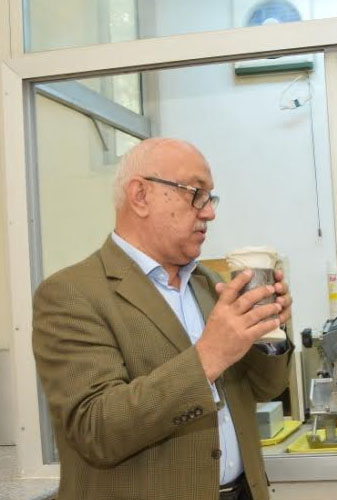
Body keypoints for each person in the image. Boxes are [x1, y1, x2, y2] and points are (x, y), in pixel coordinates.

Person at [32, 137, 293, 500]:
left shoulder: (208, 284)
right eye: (196, 194)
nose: (209, 212)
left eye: (211, 197)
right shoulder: (70, 294)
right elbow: (96, 430)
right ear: (140, 196)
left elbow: (265, 389)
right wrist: (209, 356)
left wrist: (268, 333)